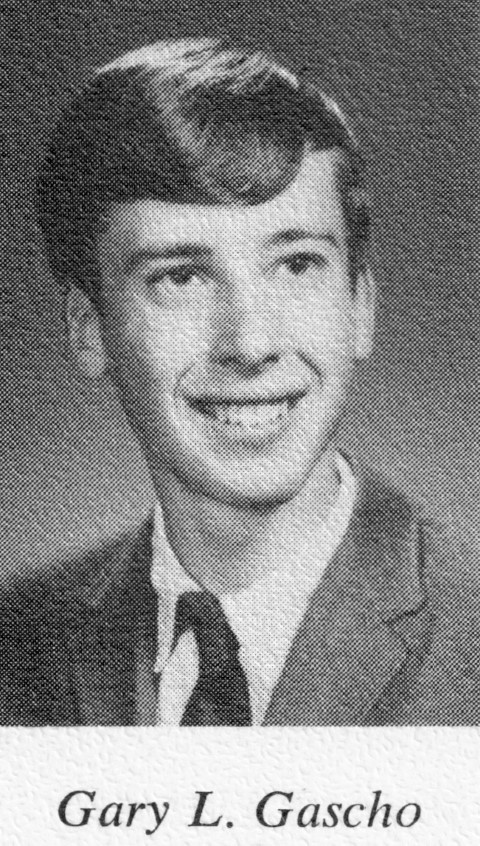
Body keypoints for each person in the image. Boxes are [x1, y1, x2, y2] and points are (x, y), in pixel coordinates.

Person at [1, 37, 478, 726]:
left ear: (360, 307)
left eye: (297, 265)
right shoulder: (19, 640)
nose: (250, 345)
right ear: (90, 328)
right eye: (181, 278)